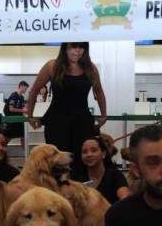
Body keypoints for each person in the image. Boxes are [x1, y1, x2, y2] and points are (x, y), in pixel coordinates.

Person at [26, 42, 107, 176]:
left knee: (81, 163)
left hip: (82, 122)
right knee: (57, 163)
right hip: (56, 121)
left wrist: (104, 115)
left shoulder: (90, 68)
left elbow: (99, 92)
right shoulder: (52, 66)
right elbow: (34, 91)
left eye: (81, 47)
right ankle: (56, 194)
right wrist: (30, 115)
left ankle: (79, 194)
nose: (77, 51)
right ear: (65, 48)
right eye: (73, 47)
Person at [73, 136, 130, 204]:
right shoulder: (76, 179)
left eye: (93, 150)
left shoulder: (116, 175)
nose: (89, 154)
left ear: (103, 153)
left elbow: (125, 199)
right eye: (84, 152)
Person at [3, 80, 28, 147]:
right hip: (12, 120)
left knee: (23, 137)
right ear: (21, 87)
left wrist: (25, 109)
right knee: (8, 138)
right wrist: (22, 110)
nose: (25, 90)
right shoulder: (14, 96)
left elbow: (22, 107)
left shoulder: (21, 97)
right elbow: (11, 109)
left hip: (19, 120)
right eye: (25, 88)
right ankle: (1, 151)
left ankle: (26, 154)